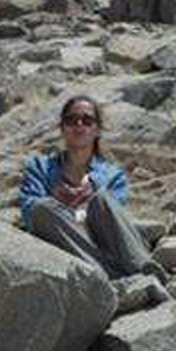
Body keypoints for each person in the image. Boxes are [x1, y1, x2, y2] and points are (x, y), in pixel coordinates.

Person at [17, 95, 164, 305]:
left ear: (96, 130)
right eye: (72, 119)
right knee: (43, 207)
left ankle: (146, 272)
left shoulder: (113, 175)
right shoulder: (39, 167)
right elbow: (28, 210)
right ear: (62, 128)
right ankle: (115, 281)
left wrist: (87, 202)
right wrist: (60, 202)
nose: (79, 125)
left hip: (96, 238)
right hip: (61, 238)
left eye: (87, 120)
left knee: (102, 198)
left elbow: (116, 220)